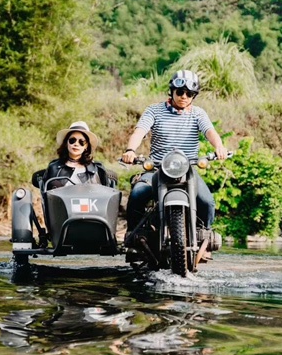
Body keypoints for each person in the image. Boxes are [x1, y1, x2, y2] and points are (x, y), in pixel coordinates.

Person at [121, 69, 228, 233]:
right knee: (137, 195)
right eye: (180, 92)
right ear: (172, 91)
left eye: (189, 93)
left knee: (207, 202)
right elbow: (139, 132)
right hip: (157, 169)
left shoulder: (198, 114)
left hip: (187, 170)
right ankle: (135, 237)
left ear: (194, 96)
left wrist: (219, 147)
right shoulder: (154, 111)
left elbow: (210, 132)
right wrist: (130, 150)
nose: (184, 96)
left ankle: (204, 236)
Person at [43, 121, 116, 190]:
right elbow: (47, 196)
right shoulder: (54, 167)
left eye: (81, 142)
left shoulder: (97, 169)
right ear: (66, 143)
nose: (76, 144)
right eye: (72, 140)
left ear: (86, 146)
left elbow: (106, 195)